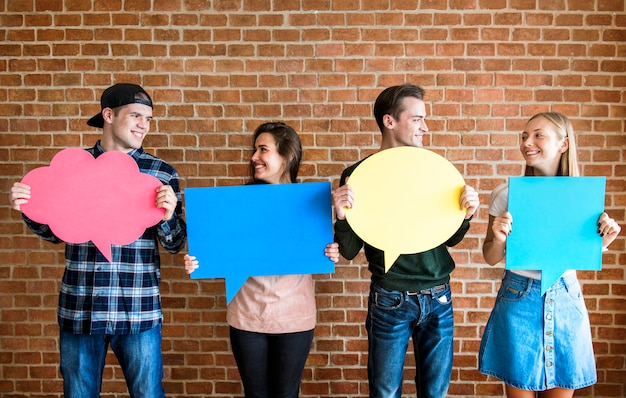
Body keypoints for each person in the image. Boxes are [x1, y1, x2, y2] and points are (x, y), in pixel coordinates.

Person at [9, 83, 187, 398]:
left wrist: (168, 215)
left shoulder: (161, 173)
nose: (143, 126)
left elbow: (174, 245)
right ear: (108, 115)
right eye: (135, 116)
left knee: (148, 394)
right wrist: (29, 208)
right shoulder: (72, 168)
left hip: (138, 311)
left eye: (148, 118)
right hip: (81, 309)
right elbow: (53, 233)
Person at [332, 84, 480, 398]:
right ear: (389, 121)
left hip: (439, 298)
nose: (425, 127)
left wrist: (466, 214)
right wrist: (341, 216)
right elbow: (347, 250)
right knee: (385, 393)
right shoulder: (357, 175)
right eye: (417, 119)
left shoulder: (435, 172)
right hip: (389, 299)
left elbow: (451, 239)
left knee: (435, 393)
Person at [184, 122, 340, 398]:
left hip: (294, 318)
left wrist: (331, 251)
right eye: (254, 149)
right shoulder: (236, 203)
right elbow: (216, 249)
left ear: (287, 156)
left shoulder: (313, 203)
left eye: (263, 149)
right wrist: (198, 261)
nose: (254, 157)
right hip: (247, 318)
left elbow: (325, 249)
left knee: (286, 394)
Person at [479, 112, 621, 398]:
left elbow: (572, 253)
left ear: (563, 144)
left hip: (566, 298)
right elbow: (491, 257)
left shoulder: (584, 196)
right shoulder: (506, 194)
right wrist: (498, 238)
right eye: (524, 136)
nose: (527, 143)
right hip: (519, 297)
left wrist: (603, 241)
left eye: (537, 135)